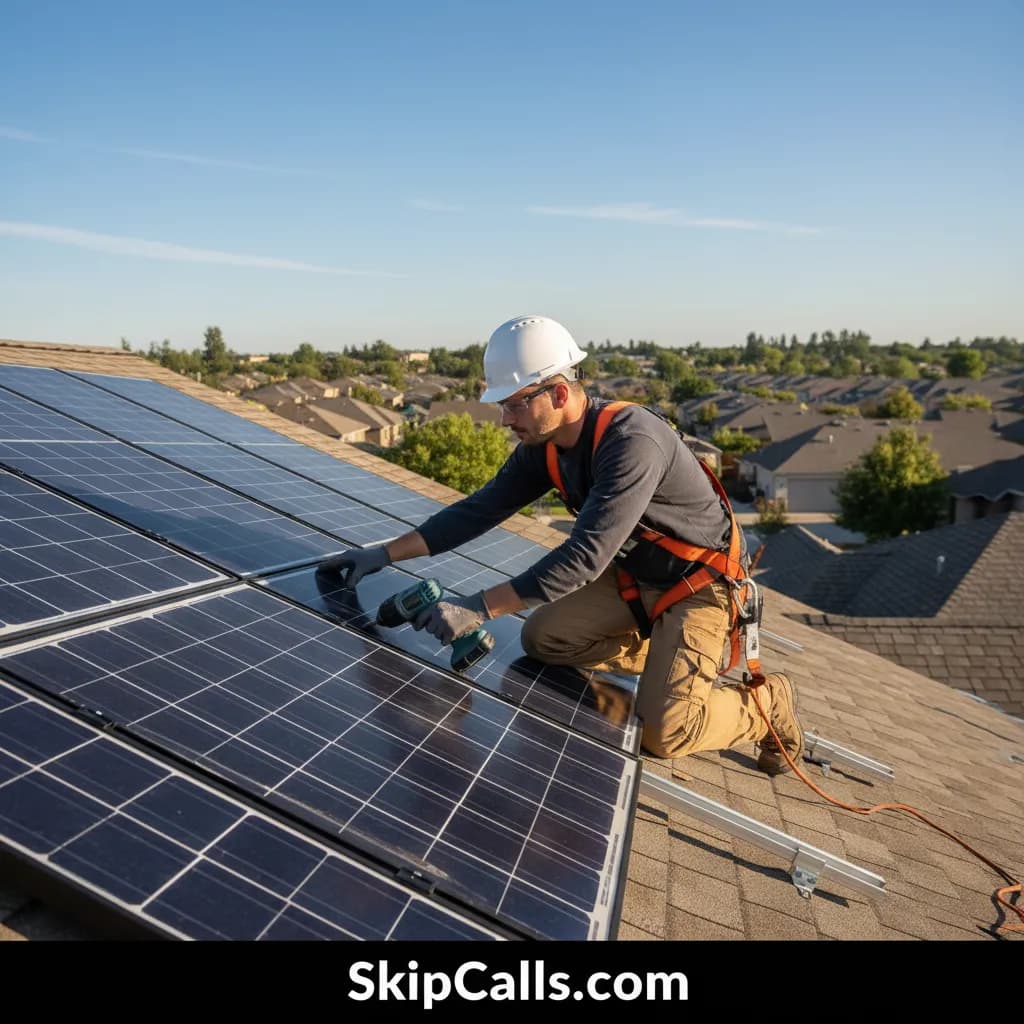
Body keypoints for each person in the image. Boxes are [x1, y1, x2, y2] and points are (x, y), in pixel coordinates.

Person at [320, 314, 803, 773]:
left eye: (515, 404)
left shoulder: (631, 442)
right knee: (542, 639)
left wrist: (478, 607)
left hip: (699, 586)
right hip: (636, 577)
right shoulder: (544, 448)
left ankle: (766, 704)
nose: (506, 419)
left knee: (667, 733)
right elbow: (477, 511)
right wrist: (382, 553)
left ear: (558, 392)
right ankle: (671, 664)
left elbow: (585, 557)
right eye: (502, 405)